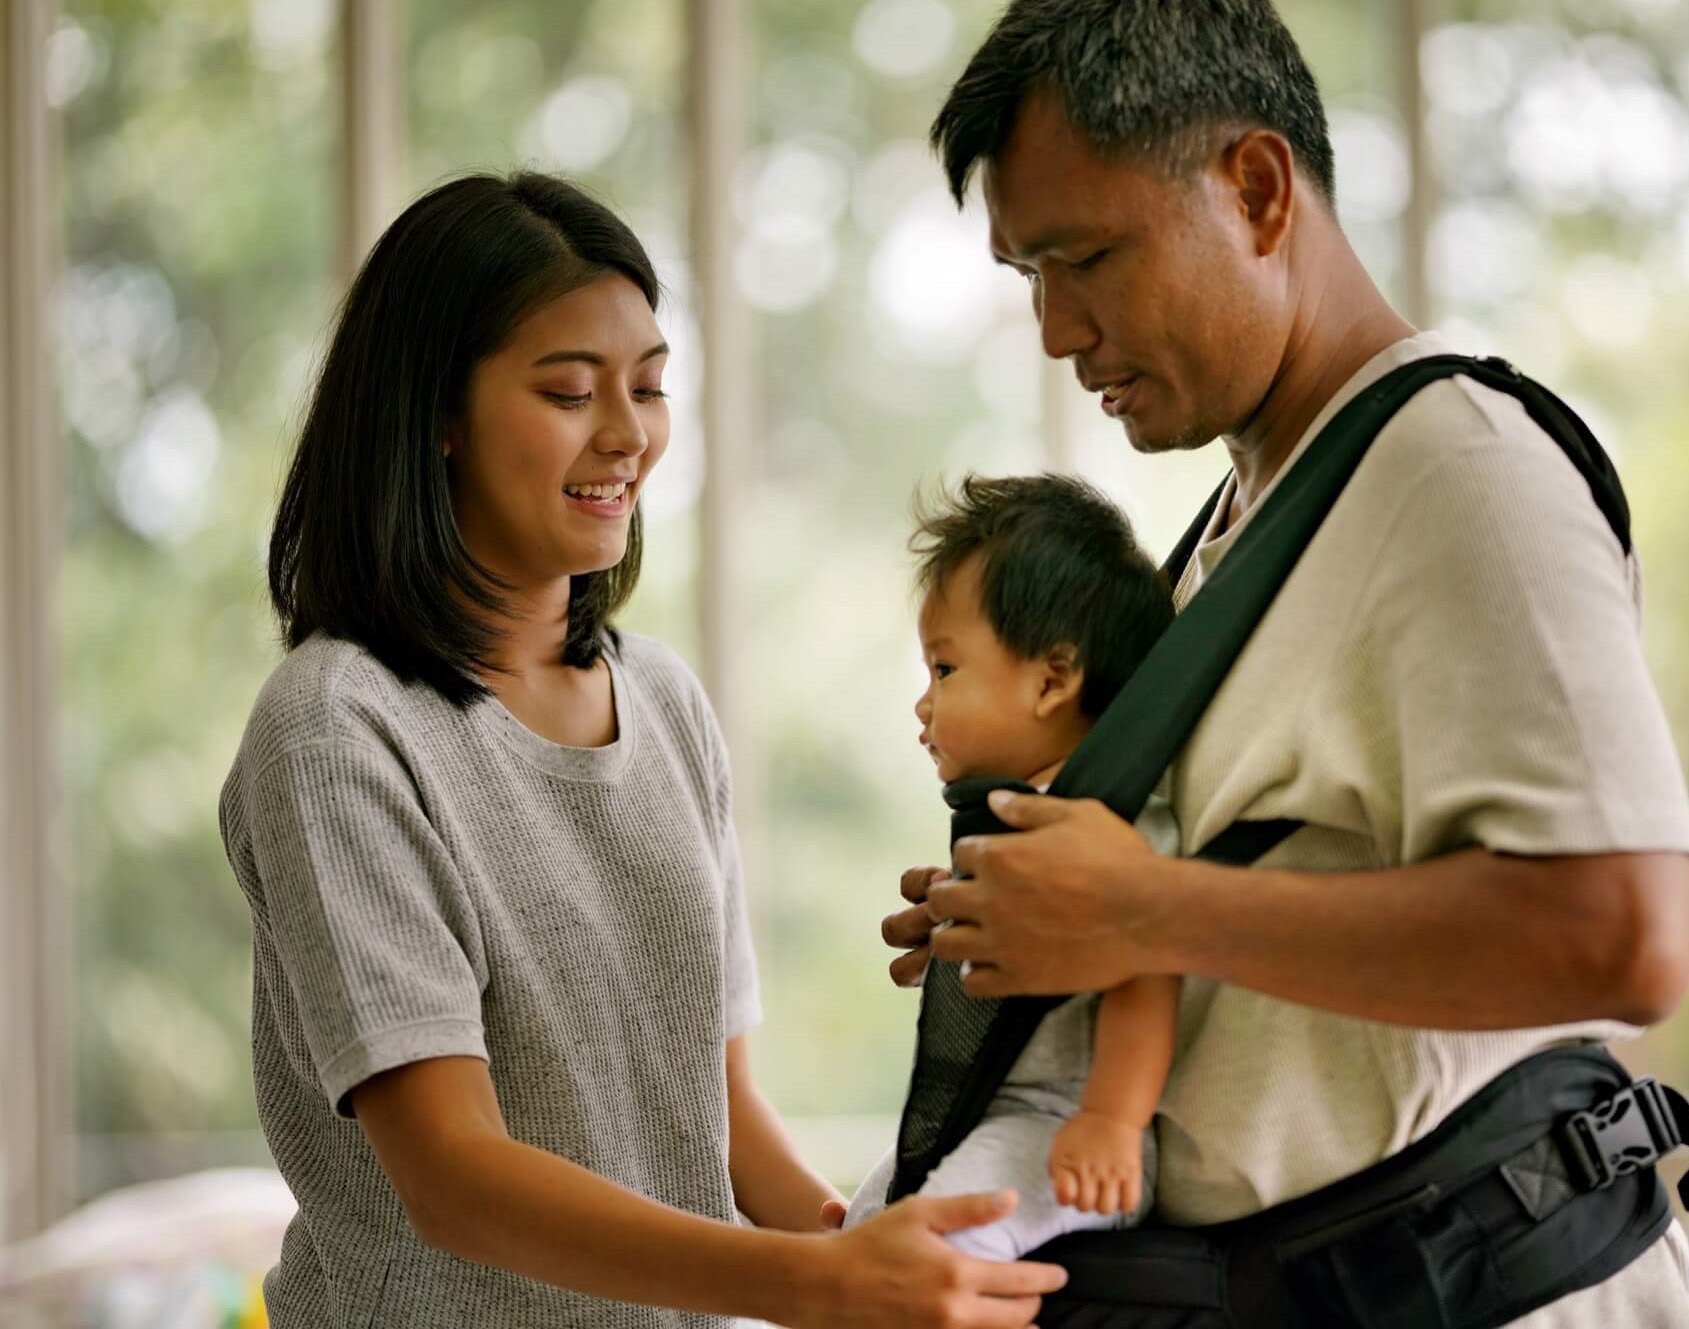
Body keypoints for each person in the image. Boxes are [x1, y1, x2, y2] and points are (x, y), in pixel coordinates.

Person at [879, 0, 1689, 1325]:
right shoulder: (1243, 526)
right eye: (1029, 274)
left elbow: (1621, 934)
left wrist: (1139, 908)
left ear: (1258, 190)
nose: (1056, 331)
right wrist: (1035, 922)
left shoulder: (1461, 476)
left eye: (1083, 258)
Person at [220, 171, 1066, 1328]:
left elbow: (716, 1111)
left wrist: (871, 1246)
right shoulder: (337, 727)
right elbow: (453, 1177)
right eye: (570, 390)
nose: (629, 434)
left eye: (652, 386)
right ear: (437, 416)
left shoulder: (661, 698)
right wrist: (822, 1285)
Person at [844, 475, 1179, 1257]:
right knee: (862, 1239)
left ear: (1052, 681)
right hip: (995, 1110)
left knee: (933, 1256)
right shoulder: (1019, 818)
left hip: (1067, 1123)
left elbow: (1150, 962)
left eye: (945, 670)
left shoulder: (1101, 821)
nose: (923, 705)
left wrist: (1111, 1121)